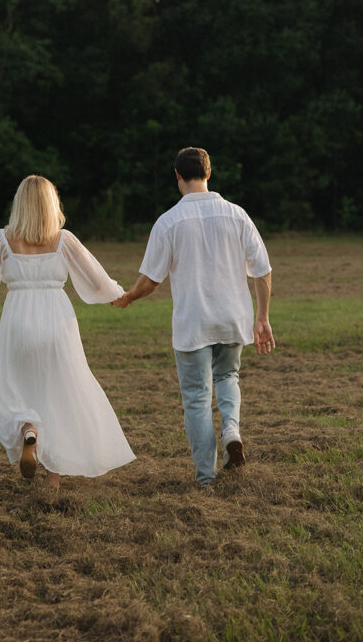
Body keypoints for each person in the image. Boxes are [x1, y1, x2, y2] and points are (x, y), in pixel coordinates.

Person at [0, 174, 135, 490]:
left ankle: (28, 430)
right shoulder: (63, 240)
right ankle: (53, 480)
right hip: (56, 319)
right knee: (61, 393)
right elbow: (95, 277)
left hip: (18, 319)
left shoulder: (2, 239)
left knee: (19, 387)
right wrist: (116, 294)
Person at [112, 147, 273, 487]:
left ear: (177, 177)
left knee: (197, 398)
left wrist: (129, 296)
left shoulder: (169, 221)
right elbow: (262, 270)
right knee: (228, 376)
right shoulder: (237, 215)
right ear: (209, 174)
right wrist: (262, 317)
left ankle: (205, 477)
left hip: (193, 324)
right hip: (233, 318)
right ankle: (232, 430)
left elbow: (151, 280)